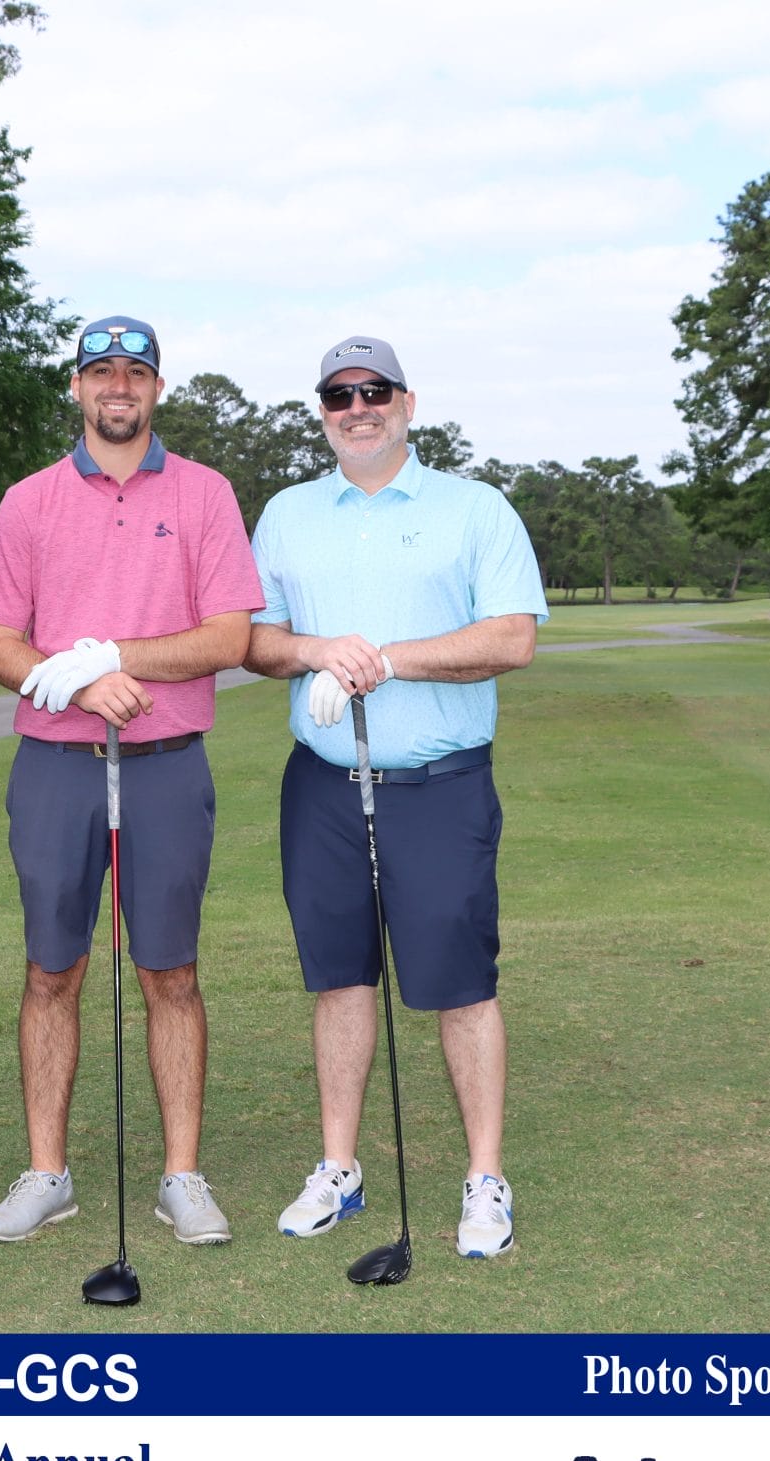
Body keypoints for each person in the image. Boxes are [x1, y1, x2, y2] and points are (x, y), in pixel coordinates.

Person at [245, 335, 548, 1259]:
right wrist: (315, 652)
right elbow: (255, 640)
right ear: (323, 412)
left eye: (375, 391)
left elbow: (512, 636)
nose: (358, 408)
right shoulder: (288, 513)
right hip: (323, 786)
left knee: (462, 984)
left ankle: (485, 1177)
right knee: (340, 978)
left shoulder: (474, 507)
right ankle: (340, 1166)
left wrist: (386, 658)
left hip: (439, 786)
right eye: (340, 395)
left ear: (408, 404)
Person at [0, 315, 262, 1247]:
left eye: (135, 372)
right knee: (51, 970)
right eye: (101, 371)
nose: (118, 387)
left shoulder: (206, 493)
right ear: (77, 387)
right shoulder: (30, 500)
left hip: (166, 767)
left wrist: (112, 656)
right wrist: (77, 683)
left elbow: (229, 635)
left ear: (157, 388)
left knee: (170, 972)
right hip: (55, 766)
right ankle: (46, 1172)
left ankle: (182, 1175)